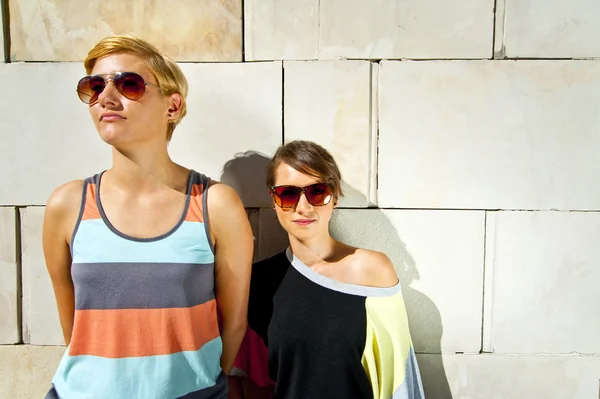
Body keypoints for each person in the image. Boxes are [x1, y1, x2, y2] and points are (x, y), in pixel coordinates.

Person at [42, 35, 253, 399]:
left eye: (128, 84)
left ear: (172, 106)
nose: (105, 97)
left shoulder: (215, 205)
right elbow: (75, 329)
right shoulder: (67, 206)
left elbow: (233, 324)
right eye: (94, 86)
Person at [229, 140, 425, 399]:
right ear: (274, 200)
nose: (303, 207)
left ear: (334, 196)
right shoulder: (259, 283)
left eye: (317, 192)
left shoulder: (373, 272)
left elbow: (398, 380)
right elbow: (250, 382)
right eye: (288, 194)